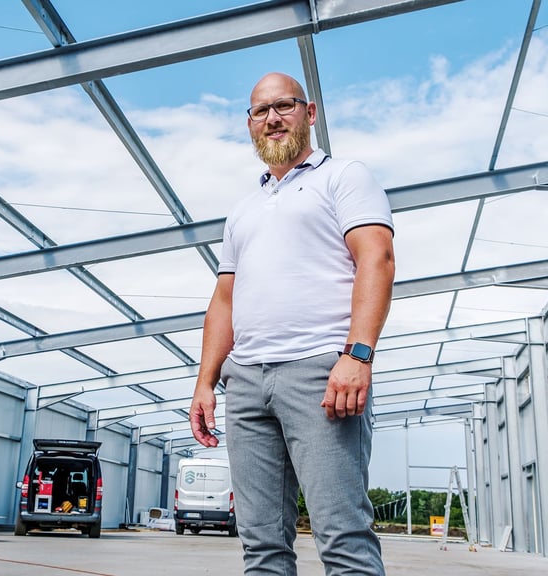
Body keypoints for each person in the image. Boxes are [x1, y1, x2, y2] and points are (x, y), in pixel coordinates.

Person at [190, 72, 395, 576]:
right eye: (261, 111)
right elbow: (224, 299)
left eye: (284, 106)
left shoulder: (344, 177)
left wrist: (358, 354)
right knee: (260, 547)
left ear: (310, 113)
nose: (272, 118)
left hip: (319, 376)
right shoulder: (244, 210)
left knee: (343, 538)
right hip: (246, 382)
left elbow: (378, 259)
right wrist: (205, 381)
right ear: (249, 124)